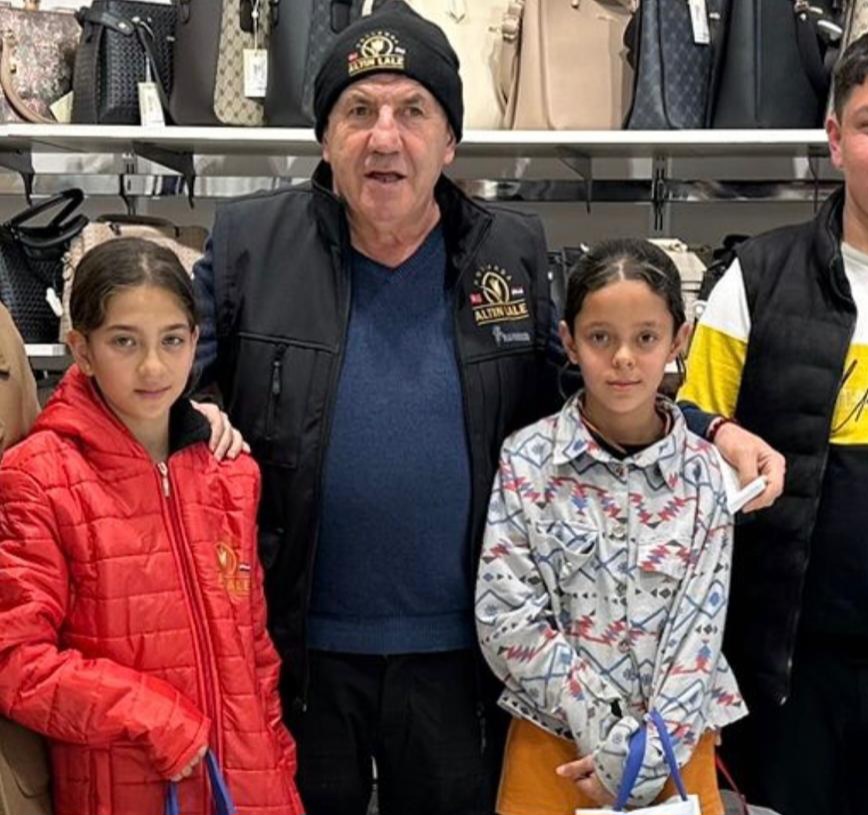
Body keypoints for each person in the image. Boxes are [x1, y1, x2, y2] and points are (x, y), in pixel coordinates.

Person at [191, 4, 783, 813]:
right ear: (325, 139)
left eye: (412, 111)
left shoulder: (507, 248)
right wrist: (197, 408)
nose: (385, 137)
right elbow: (167, 382)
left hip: (458, 660)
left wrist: (710, 428)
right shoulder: (249, 244)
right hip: (297, 651)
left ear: (450, 142)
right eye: (359, 111)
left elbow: (582, 385)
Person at [0, 238, 305, 815]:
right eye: (124, 341)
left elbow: (256, 657)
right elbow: (15, 661)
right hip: (126, 788)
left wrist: (279, 783)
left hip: (246, 791)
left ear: (195, 339)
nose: (153, 367)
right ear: (82, 350)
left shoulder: (230, 473)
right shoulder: (39, 476)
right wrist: (150, 716)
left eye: (172, 340)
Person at [476, 239, 746, 815]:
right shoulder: (528, 461)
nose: (623, 358)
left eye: (646, 338)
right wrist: (609, 733)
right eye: (601, 337)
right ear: (569, 341)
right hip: (556, 745)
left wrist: (645, 757)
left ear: (679, 339)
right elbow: (505, 616)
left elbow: (699, 631)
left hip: (676, 744)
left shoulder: (703, 473)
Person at [678, 33, 868, 815]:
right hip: (788, 670)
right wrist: (721, 433)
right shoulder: (758, 275)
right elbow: (683, 423)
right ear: (835, 139)